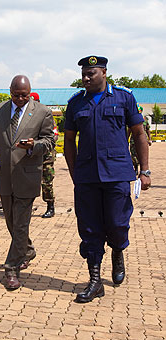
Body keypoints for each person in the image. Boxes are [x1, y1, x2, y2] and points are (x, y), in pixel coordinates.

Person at [64, 56, 151, 303]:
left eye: (91, 73)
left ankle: (118, 250)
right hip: (88, 177)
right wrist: (75, 174)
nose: (86, 78)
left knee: (116, 223)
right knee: (90, 228)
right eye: (83, 74)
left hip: (117, 174)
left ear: (104, 72)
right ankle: (95, 281)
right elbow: (69, 140)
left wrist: (145, 170)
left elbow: (138, 133)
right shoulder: (76, 103)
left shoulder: (124, 98)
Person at [0, 75, 54, 290]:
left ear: (30, 92)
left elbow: (49, 141)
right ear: (10, 91)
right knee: (11, 221)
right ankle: (26, 250)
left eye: (25, 96)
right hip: (5, 177)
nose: (20, 99)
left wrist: (33, 145)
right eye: (16, 95)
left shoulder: (42, 112)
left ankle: (11, 268)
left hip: (28, 175)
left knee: (21, 224)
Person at [30, 92, 59, 218]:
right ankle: (27, 207)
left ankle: (50, 207)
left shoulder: (46, 115)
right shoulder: (27, 115)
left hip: (46, 155)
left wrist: (42, 143)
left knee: (47, 182)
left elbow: (55, 135)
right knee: (28, 181)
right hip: (31, 154)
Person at [129, 106, 152, 175]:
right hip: (133, 140)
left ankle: (142, 169)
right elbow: (129, 130)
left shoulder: (145, 120)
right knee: (133, 155)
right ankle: (135, 168)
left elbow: (148, 130)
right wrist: (126, 139)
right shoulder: (132, 119)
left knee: (141, 155)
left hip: (142, 140)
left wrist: (149, 139)